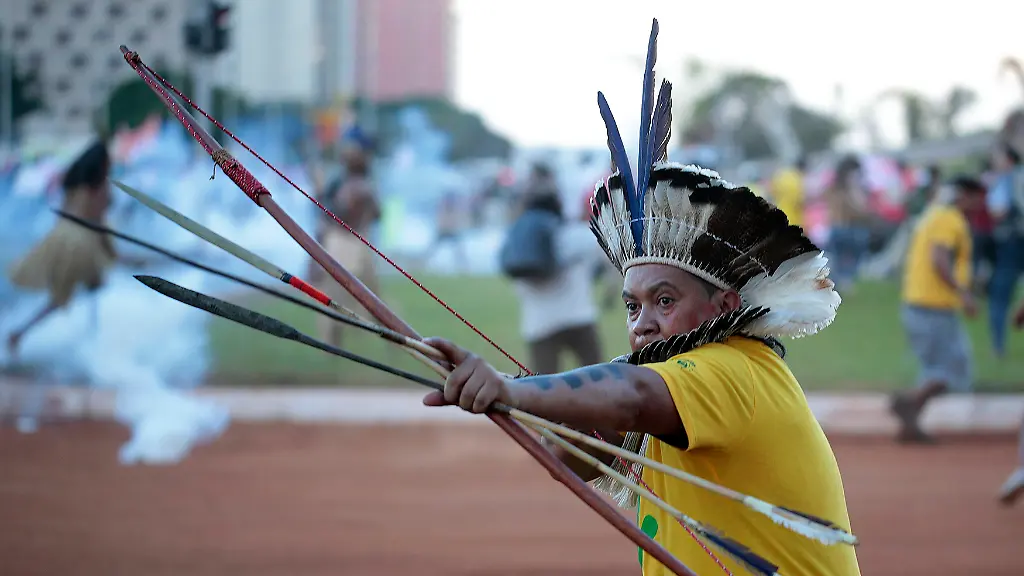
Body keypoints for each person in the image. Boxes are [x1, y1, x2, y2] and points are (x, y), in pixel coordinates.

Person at [422, 22, 859, 576]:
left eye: (665, 300)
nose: (643, 323)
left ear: (725, 308)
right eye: (633, 306)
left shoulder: (732, 369)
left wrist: (511, 389)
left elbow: (630, 395)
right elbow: (571, 459)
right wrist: (509, 398)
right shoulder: (670, 391)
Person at [889, 176, 986, 444]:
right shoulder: (949, 219)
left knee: (944, 368)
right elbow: (939, 259)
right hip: (932, 307)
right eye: (978, 197)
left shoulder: (935, 214)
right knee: (952, 370)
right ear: (965, 195)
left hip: (924, 304)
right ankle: (908, 403)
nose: (980, 204)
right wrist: (963, 293)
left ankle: (910, 421)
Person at [6, 140, 118, 358]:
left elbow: (65, 210)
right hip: (81, 242)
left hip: (62, 236)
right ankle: (90, 339)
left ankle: (21, 333)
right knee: (79, 293)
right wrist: (109, 249)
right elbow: (97, 217)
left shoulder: (73, 179)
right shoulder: (98, 186)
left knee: (61, 297)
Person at [508, 178, 603, 374]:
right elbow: (599, 255)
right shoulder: (573, 234)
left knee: (543, 384)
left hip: (538, 322)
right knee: (597, 376)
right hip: (578, 314)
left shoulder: (518, 238)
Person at [312, 126, 381, 351]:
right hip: (339, 242)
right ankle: (332, 344)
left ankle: (393, 339)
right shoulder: (338, 181)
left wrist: (361, 204)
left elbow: (376, 213)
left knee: (372, 299)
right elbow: (329, 213)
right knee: (336, 296)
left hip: (357, 241)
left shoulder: (363, 182)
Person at [985, 142, 1024, 359]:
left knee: (999, 297)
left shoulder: (1006, 181)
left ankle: (998, 347)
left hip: (1011, 243)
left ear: (1008, 159)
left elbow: (997, 211)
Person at [824, 155, 871, 292]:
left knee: (842, 254)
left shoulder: (850, 188)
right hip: (843, 230)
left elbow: (862, 210)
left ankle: (842, 279)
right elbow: (858, 210)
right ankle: (842, 279)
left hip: (846, 230)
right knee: (842, 252)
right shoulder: (839, 190)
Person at [769, 156, 808, 228]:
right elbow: (800, 201)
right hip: (793, 219)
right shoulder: (798, 181)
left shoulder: (781, 177)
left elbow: (772, 194)